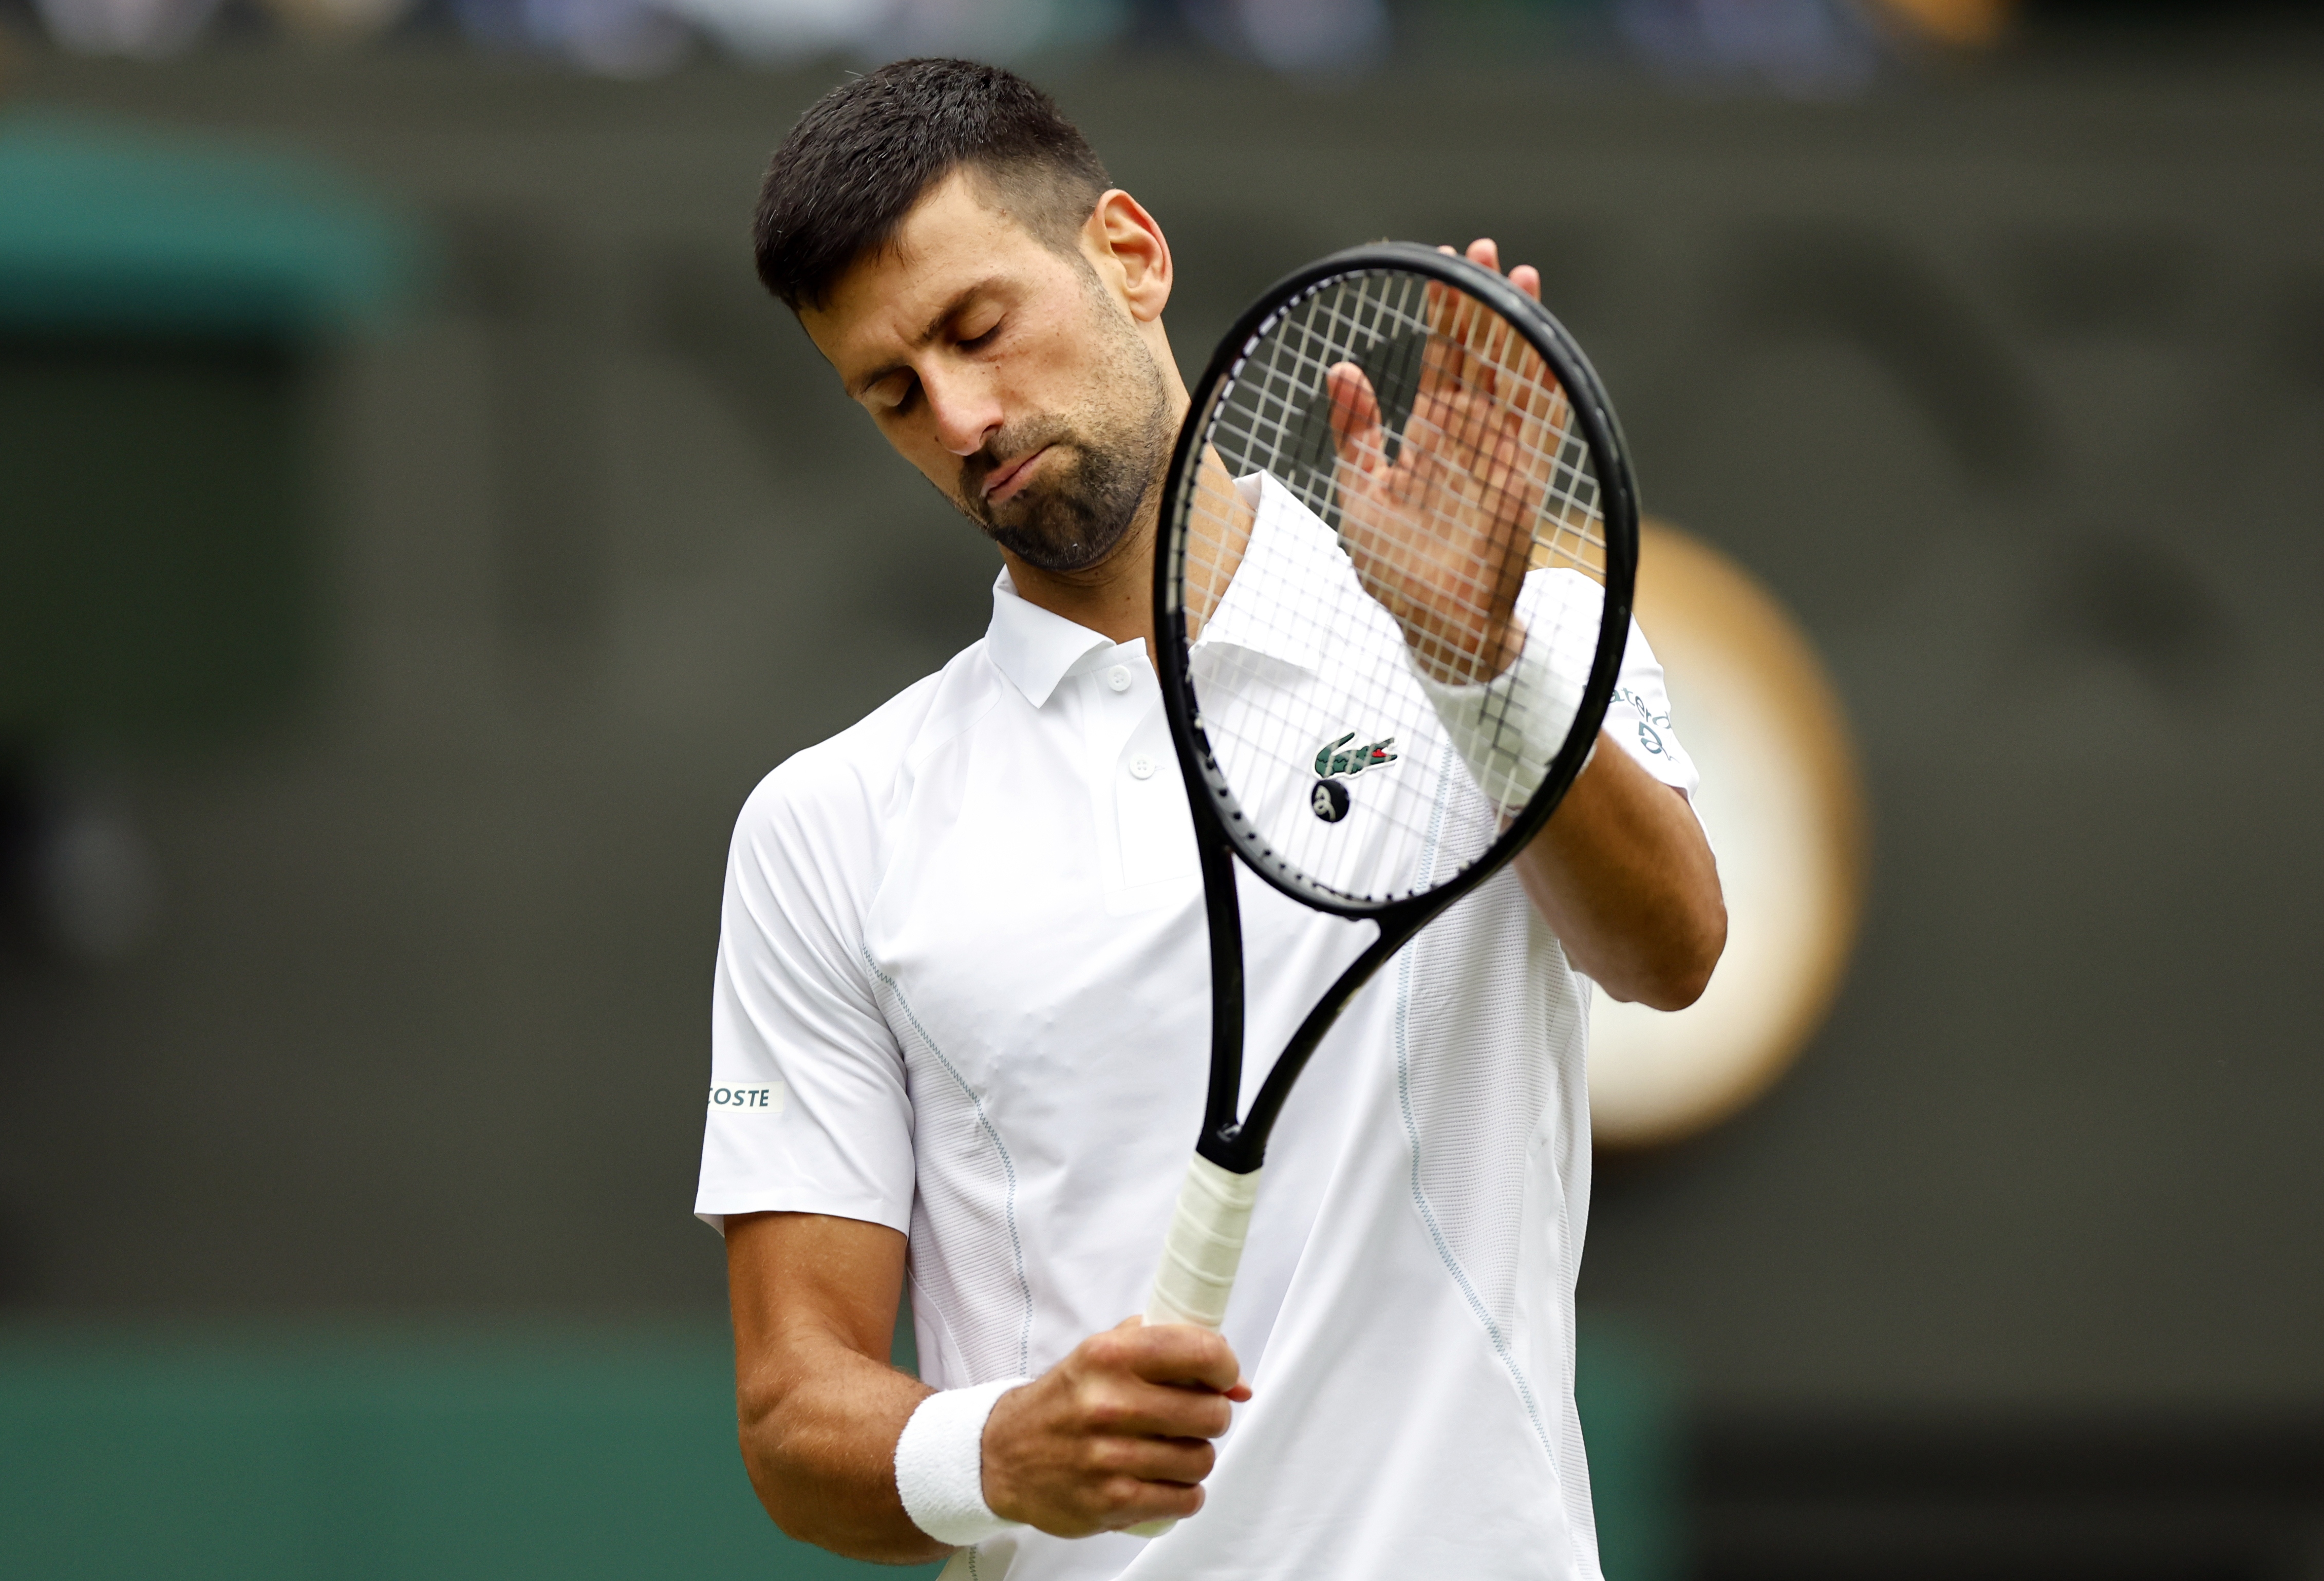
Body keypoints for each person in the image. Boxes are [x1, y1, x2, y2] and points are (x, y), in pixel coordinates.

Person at [697, 57, 1725, 1581]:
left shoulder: (1525, 628)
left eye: (979, 329)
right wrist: (994, 1453)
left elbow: (1669, 950)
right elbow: (794, 1423)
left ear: (1127, 254)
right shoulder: (826, 826)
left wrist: (1473, 664)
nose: (964, 419)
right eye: (892, 391)